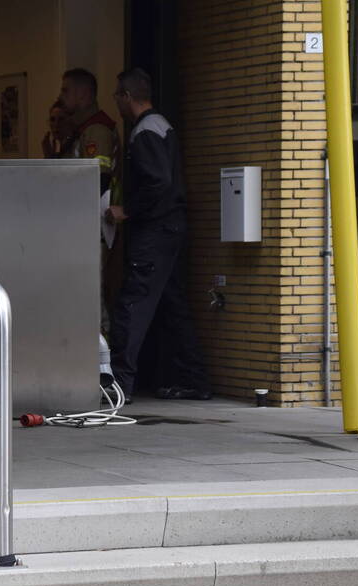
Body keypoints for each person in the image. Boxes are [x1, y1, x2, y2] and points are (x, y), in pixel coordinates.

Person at [106, 67, 211, 402]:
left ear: (126, 96)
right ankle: (195, 380)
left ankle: (120, 385)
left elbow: (158, 182)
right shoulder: (161, 125)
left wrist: (128, 210)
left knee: (131, 305)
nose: (115, 102)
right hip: (172, 230)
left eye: (116, 95)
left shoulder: (145, 132)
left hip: (155, 232)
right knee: (172, 306)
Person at [59, 68, 121, 334]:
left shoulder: (96, 130)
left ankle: (102, 363)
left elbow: (99, 178)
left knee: (92, 295)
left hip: (94, 225)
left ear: (83, 93)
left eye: (66, 91)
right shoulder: (83, 129)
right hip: (85, 225)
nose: (61, 97)